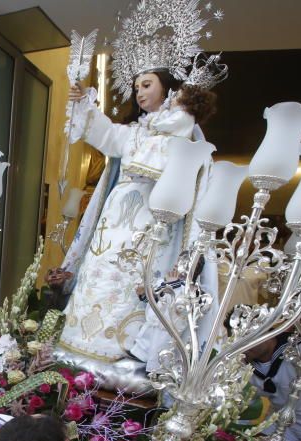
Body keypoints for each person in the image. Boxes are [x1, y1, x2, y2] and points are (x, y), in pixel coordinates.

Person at [51, 0, 224, 389]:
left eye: (146, 84)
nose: (139, 92)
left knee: (133, 285)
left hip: (152, 228)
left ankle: (126, 358)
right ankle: (81, 351)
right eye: (135, 85)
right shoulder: (136, 132)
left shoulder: (184, 136)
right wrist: (85, 104)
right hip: (113, 225)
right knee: (99, 275)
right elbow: (107, 136)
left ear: (169, 85)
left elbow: (184, 189)